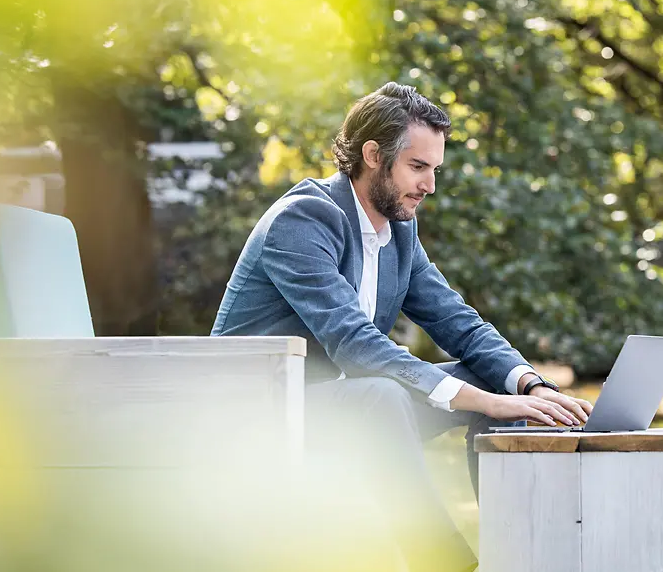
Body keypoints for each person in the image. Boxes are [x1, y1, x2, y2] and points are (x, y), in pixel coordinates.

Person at [212, 82, 592, 572]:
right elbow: (356, 344)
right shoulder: (303, 219)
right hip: (260, 412)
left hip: (349, 405)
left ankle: (520, 557)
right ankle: (443, 564)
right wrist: (489, 399)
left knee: (493, 385)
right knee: (383, 395)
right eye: (418, 167)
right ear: (373, 155)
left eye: (435, 169)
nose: (430, 185)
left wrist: (528, 385)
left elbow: (459, 322)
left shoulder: (399, 231)